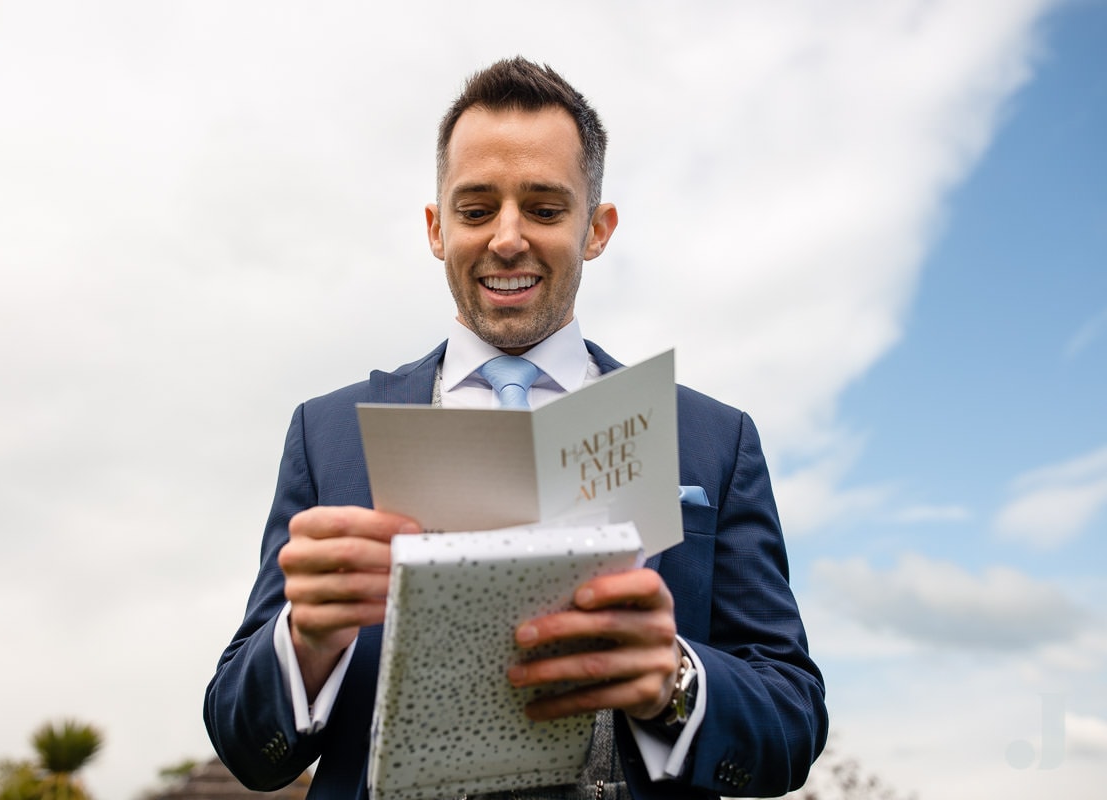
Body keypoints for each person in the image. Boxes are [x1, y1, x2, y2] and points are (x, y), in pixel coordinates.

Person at [205, 57, 827, 799]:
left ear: (597, 229)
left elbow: (791, 718)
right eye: (475, 210)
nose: (506, 238)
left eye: (543, 207)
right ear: (436, 229)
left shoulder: (711, 440)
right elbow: (245, 745)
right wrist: (305, 644)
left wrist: (675, 679)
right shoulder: (327, 434)